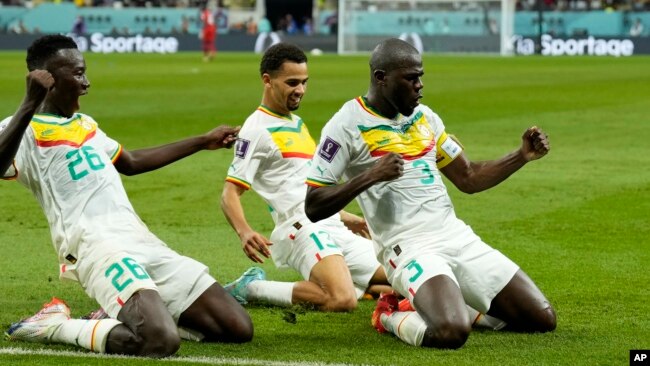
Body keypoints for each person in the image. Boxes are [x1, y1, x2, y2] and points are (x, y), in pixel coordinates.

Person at [0, 34, 251, 358]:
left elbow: (130, 162)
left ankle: (125, 313)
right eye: (77, 74)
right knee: (160, 341)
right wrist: (29, 103)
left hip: (140, 239)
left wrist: (203, 141)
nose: (87, 82)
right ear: (48, 79)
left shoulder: (85, 124)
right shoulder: (23, 128)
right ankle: (55, 325)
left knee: (237, 327)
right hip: (95, 246)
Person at [304, 38, 556, 349]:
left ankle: (457, 304)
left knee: (542, 319)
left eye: (420, 76)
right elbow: (313, 204)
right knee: (451, 332)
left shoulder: (425, 117)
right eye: (411, 78)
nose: (419, 85)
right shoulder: (345, 125)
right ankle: (388, 314)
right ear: (381, 78)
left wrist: (520, 156)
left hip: (454, 236)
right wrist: (371, 176)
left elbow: (469, 177)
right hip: (408, 248)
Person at [220, 43, 391, 312]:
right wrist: (244, 232)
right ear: (267, 80)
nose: (300, 90)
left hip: (331, 225)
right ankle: (252, 288)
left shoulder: (296, 124)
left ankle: (356, 284)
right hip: (302, 228)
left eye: (304, 82)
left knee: (400, 274)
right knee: (341, 300)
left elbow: (299, 185)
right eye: (292, 82)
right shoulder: (256, 129)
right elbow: (230, 192)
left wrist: (347, 218)